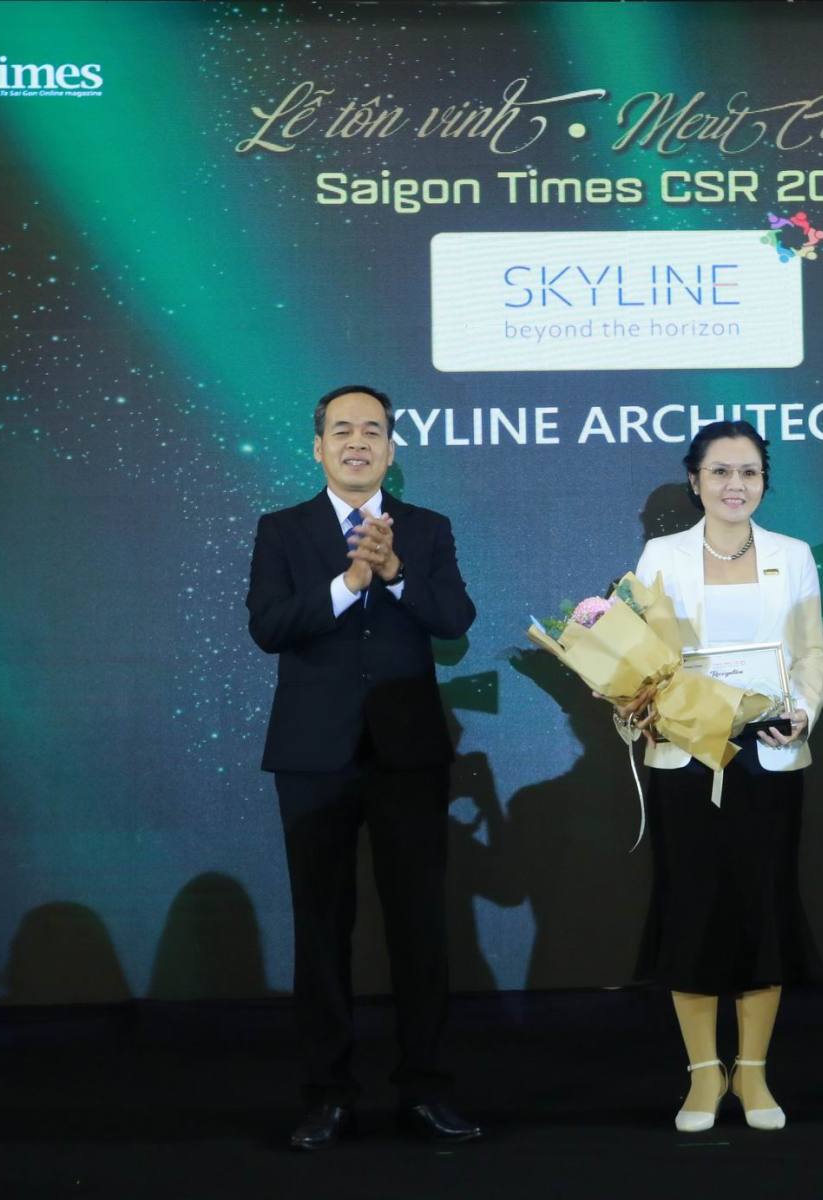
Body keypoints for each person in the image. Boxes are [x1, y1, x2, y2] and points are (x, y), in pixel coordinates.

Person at [246, 384, 480, 1149]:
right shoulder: (282, 530)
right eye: (341, 430)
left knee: (420, 926)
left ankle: (426, 1088)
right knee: (321, 927)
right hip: (313, 756)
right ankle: (327, 1095)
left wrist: (396, 573)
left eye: (372, 430)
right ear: (318, 447)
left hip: (407, 754)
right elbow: (268, 626)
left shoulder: (426, 528)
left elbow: (455, 621)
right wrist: (348, 584)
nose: (357, 442)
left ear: (391, 447)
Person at [624, 420, 823, 1133]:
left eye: (748, 472)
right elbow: (641, 657)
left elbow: (811, 652)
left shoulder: (793, 555)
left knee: (762, 910)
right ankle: (703, 1075)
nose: (734, 485)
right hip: (687, 759)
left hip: (768, 758)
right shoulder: (662, 556)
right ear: (695, 480)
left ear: (764, 481)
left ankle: (754, 1071)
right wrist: (646, 704)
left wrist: (803, 712)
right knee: (692, 912)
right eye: (719, 472)